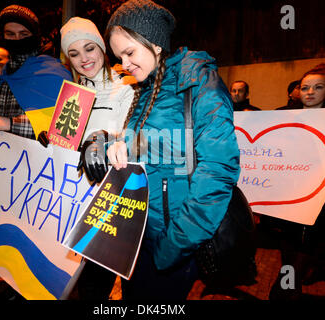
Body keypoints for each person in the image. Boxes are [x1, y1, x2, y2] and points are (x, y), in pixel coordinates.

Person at [87, 0, 241, 300]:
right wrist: (105, 140)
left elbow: (218, 170)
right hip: (137, 236)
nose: (124, 64)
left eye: (129, 52)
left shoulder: (198, 81)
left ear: (155, 43)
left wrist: (174, 245)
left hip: (173, 244)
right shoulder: (145, 88)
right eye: (119, 56)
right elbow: (144, 143)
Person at [59, 16, 135, 300]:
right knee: (71, 284)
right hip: (70, 203)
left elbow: (134, 136)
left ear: (102, 48)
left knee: (95, 283)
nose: (83, 59)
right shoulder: (71, 94)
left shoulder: (125, 87)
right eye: (74, 53)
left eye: (89, 48)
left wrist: (106, 138)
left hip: (109, 202)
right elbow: (64, 141)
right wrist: (51, 142)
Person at [269, 63, 325, 299]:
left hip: (324, 197)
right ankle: (288, 287)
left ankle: (285, 289)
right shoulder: (281, 115)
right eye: (305, 87)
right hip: (288, 195)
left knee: (308, 246)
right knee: (289, 245)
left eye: (318, 87)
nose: (310, 92)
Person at [0, 5, 73, 140]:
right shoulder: (4, 75)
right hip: (0, 156)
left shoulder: (55, 72)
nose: (17, 39)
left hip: (38, 159)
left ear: (35, 36)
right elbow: (0, 114)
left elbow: (66, 128)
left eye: (24, 34)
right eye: (10, 34)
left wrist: (12, 124)